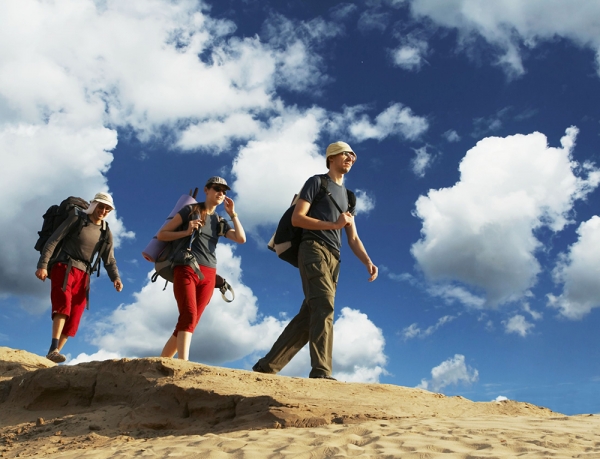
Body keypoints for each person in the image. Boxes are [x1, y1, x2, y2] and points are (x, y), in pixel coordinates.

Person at [253, 141, 378, 380]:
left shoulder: (350, 198)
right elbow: (298, 218)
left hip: (335, 259)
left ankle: (267, 367)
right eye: (345, 154)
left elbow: (352, 237)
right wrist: (333, 225)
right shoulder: (316, 182)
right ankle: (321, 371)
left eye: (353, 155)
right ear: (331, 157)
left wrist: (367, 261)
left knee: (310, 315)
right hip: (313, 249)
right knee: (324, 305)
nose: (351, 157)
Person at [157, 176, 246, 361]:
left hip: (210, 273)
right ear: (207, 190)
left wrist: (233, 215)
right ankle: (183, 363)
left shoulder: (220, 220)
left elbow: (240, 238)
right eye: (217, 189)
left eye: (224, 191)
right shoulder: (190, 210)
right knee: (189, 315)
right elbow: (162, 235)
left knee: (191, 321)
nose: (221, 193)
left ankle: (161, 361)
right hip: (187, 266)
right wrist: (186, 231)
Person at [36, 192, 123, 363]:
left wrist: (116, 278)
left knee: (75, 314)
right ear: (94, 204)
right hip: (64, 266)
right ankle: (54, 348)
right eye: (101, 206)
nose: (103, 210)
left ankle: (53, 354)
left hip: (84, 274)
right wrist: (43, 265)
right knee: (63, 304)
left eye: (107, 208)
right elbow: (53, 240)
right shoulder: (77, 219)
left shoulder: (106, 232)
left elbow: (109, 259)